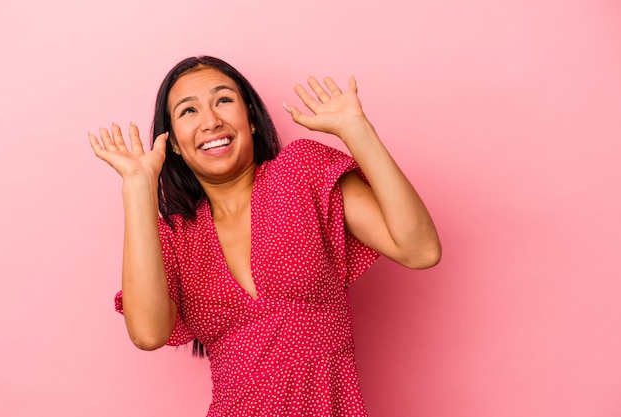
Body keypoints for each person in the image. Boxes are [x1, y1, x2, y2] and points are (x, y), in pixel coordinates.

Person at [89, 55, 441, 417]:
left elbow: (420, 250)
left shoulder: (302, 172)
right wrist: (137, 187)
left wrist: (357, 130)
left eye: (223, 100)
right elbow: (148, 334)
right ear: (174, 144)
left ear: (252, 119)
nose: (210, 121)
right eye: (188, 111)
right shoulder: (176, 238)